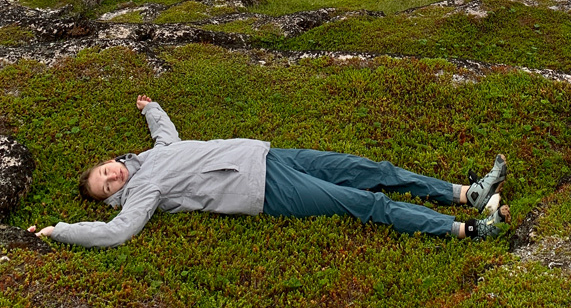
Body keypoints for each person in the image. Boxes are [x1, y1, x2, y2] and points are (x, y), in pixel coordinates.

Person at [28, 95, 510, 248]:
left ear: (110, 161)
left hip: (269, 155)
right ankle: (468, 230)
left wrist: (151, 108)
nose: (112, 177)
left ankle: (465, 192)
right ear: (111, 194)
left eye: (106, 171)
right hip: (263, 189)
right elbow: (117, 232)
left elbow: (166, 137)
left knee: (370, 169)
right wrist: (61, 230)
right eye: (106, 186)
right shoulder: (141, 194)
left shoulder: (148, 160)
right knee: (367, 204)